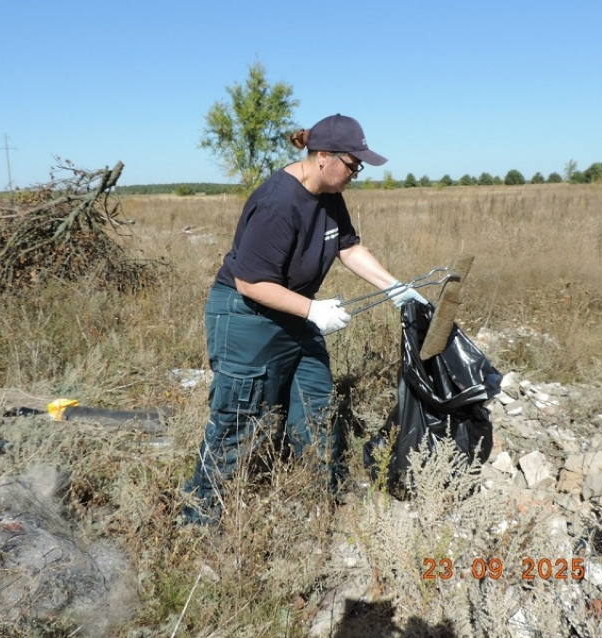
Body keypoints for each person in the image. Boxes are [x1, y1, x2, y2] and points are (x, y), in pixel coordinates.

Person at [180, 114, 427, 525]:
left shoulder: (329, 194)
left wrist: (395, 288)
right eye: (353, 165)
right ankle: (198, 518)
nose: (356, 174)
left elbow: (347, 248)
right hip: (248, 316)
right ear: (324, 157)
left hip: (293, 311)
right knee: (238, 419)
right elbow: (250, 281)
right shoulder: (278, 202)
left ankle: (319, 502)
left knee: (316, 405)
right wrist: (313, 310)